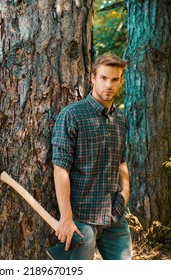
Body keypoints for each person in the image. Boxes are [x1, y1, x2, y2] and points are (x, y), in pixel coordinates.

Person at [51, 53, 132, 260]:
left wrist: (125, 192)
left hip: (114, 217)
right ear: (93, 78)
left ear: (121, 81)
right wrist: (66, 217)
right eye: (104, 78)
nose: (109, 85)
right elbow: (61, 168)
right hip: (82, 219)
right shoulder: (72, 115)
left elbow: (120, 160)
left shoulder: (121, 119)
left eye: (115, 79)